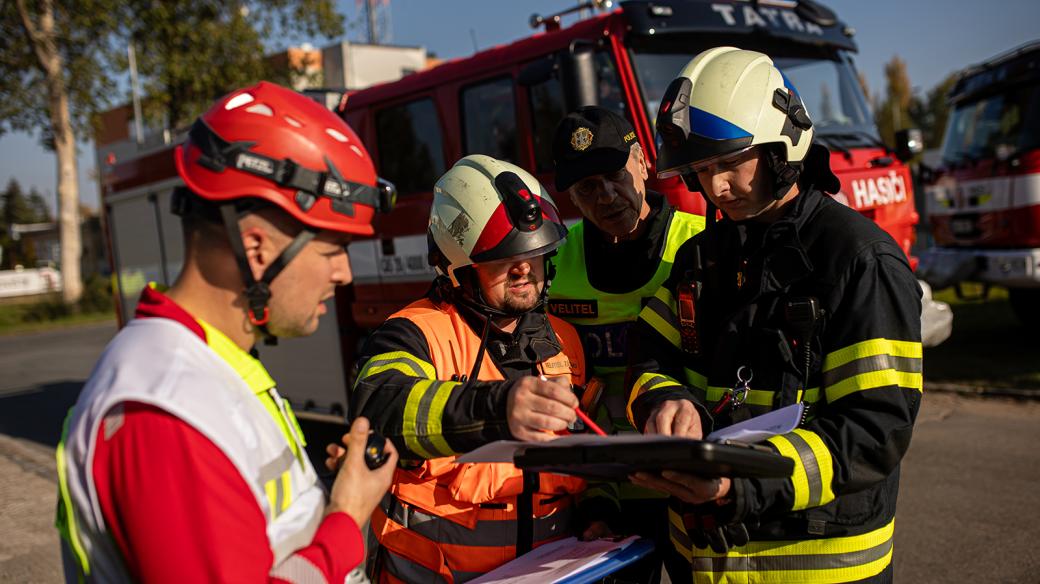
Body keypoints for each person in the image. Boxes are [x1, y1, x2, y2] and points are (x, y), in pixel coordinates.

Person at [55, 82, 398, 583]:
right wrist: (346, 516)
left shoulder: (209, 365)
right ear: (258, 249)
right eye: (332, 251)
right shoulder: (168, 411)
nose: (344, 273)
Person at [626, 47, 923, 583]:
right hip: (706, 558)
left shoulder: (859, 260)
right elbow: (651, 355)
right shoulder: (702, 256)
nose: (713, 188)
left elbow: (874, 428)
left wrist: (740, 484)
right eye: (699, 170)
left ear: (780, 147)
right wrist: (664, 399)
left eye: (727, 164)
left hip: (818, 565)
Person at [350, 155, 588, 583]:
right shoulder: (414, 334)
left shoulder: (565, 343)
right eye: (501, 258)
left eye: (534, 253)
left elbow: (590, 456)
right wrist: (496, 408)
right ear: (456, 269)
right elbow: (378, 408)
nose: (523, 268)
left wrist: (598, 513)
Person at [548, 106, 704, 583]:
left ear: (642, 162)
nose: (605, 196)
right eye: (586, 189)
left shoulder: (700, 244)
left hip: (693, 482)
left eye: (614, 175)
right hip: (606, 491)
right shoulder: (554, 263)